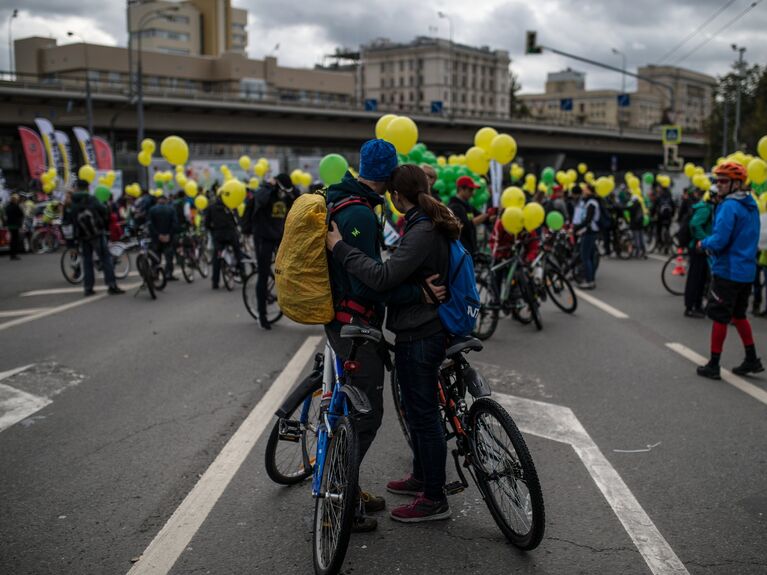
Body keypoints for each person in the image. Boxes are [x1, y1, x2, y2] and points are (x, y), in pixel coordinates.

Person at [324, 139, 443, 531]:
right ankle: (341, 499)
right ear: (390, 177)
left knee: (352, 411)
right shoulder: (358, 212)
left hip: (347, 318)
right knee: (366, 415)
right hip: (354, 322)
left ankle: (347, 487)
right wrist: (417, 292)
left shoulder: (350, 202)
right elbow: (369, 283)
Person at [696, 162, 763, 379]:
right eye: (717, 180)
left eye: (724, 181)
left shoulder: (729, 206)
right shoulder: (751, 204)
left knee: (719, 316)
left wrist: (703, 243)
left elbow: (720, 239)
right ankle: (752, 359)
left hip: (728, 270)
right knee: (739, 314)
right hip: (746, 270)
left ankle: (714, 364)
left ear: (736, 183)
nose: (719, 185)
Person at [250, 173, 297, 329]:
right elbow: (260, 199)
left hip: (279, 236)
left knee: (289, 270)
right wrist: (270, 185)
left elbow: (298, 198)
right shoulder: (265, 191)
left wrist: (291, 190)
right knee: (263, 275)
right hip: (263, 238)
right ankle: (262, 315)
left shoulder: (285, 193)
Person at [70, 180, 124, 296]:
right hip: (97, 233)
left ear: (77, 188)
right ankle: (111, 285)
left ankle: (88, 288)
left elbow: (73, 221)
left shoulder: (73, 202)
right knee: (106, 259)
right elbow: (104, 210)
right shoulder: (91, 199)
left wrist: (75, 239)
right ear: (87, 187)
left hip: (83, 235)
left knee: (87, 262)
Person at [683, 188, 716, 318]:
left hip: (701, 247)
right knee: (695, 278)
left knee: (701, 278)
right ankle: (690, 307)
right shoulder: (705, 209)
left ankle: (697, 306)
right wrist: (705, 240)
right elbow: (694, 224)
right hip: (698, 248)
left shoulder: (709, 208)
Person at [205, 192, 241, 290]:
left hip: (218, 236)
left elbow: (207, 223)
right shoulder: (231, 205)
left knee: (216, 258)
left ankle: (215, 282)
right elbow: (236, 221)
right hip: (231, 235)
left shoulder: (211, 208)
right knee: (238, 252)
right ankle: (244, 274)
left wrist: (213, 230)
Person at [448, 176, 489, 259]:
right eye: (470, 190)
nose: (472, 193)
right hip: (461, 250)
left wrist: (490, 216)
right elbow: (465, 226)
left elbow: (481, 216)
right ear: (461, 189)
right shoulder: (455, 207)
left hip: (469, 249)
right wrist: (484, 216)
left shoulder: (467, 205)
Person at [572, 184, 600, 289]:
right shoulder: (589, 202)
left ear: (590, 191)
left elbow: (588, 220)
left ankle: (589, 281)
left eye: (585, 190)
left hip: (589, 232)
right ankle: (591, 279)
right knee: (590, 256)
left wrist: (576, 229)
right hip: (590, 231)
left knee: (585, 256)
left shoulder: (591, 203)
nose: (583, 191)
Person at [148, 195, 179, 281]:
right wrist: (169, 234)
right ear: (166, 201)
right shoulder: (171, 209)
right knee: (169, 257)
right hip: (168, 237)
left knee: (155, 257)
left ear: (158, 200)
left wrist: (158, 235)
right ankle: (168, 274)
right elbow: (175, 223)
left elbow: (150, 225)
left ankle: (155, 274)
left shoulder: (152, 210)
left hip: (156, 238)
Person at [653, 183, 676, 253]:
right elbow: (674, 206)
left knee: (659, 230)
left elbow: (654, 207)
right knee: (667, 229)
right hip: (668, 216)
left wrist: (653, 214)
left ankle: (660, 243)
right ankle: (668, 243)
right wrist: (672, 215)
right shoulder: (670, 196)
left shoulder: (659, 196)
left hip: (661, 217)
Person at [4, 194, 24, 260]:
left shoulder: (7, 206)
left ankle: (11, 254)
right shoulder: (16, 206)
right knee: (15, 240)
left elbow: (5, 214)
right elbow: (21, 214)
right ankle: (14, 255)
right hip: (15, 225)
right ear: (16, 200)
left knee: (12, 240)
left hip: (9, 225)